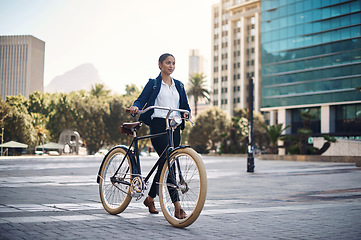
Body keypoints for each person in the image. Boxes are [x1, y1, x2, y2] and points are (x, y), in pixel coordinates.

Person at [128, 53, 191, 219]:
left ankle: (150, 198)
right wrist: (135, 106)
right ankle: (178, 207)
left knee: (167, 163)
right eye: (168, 63)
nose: (171, 66)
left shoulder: (179, 85)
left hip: (174, 127)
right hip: (158, 126)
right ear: (160, 64)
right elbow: (141, 99)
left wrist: (186, 114)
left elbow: (185, 106)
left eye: (173, 63)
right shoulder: (154, 83)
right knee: (169, 164)